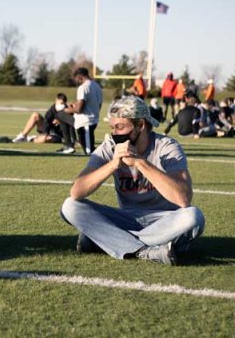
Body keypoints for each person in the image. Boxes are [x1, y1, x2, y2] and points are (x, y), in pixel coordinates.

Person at [60, 96, 204, 265]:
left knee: (193, 217)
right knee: (70, 207)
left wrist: (140, 162)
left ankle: (108, 240)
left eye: (120, 127)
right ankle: (145, 251)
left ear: (140, 125)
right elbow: (76, 191)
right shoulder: (109, 148)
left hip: (165, 221)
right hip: (126, 218)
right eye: (112, 128)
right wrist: (113, 164)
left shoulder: (167, 147)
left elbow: (183, 198)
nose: (115, 134)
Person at [56, 67, 103, 155]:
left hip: (85, 122)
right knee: (61, 115)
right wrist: (74, 105)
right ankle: (69, 144)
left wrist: (68, 110)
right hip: (92, 120)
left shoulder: (83, 87)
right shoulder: (97, 86)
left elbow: (78, 109)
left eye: (76, 78)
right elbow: (98, 104)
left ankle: (69, 145)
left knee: (90, 153)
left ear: (80, 76)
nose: (76, 81)